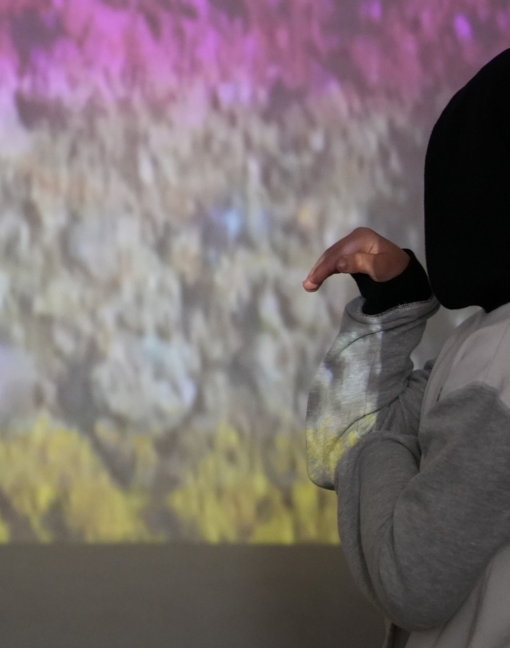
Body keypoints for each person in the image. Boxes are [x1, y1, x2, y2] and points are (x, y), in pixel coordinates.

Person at [302, 48, 510, 648]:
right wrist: (394, 304)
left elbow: (412, 577)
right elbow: (330, 447)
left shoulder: (500, 365)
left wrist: (378, 447)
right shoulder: (484, 344)